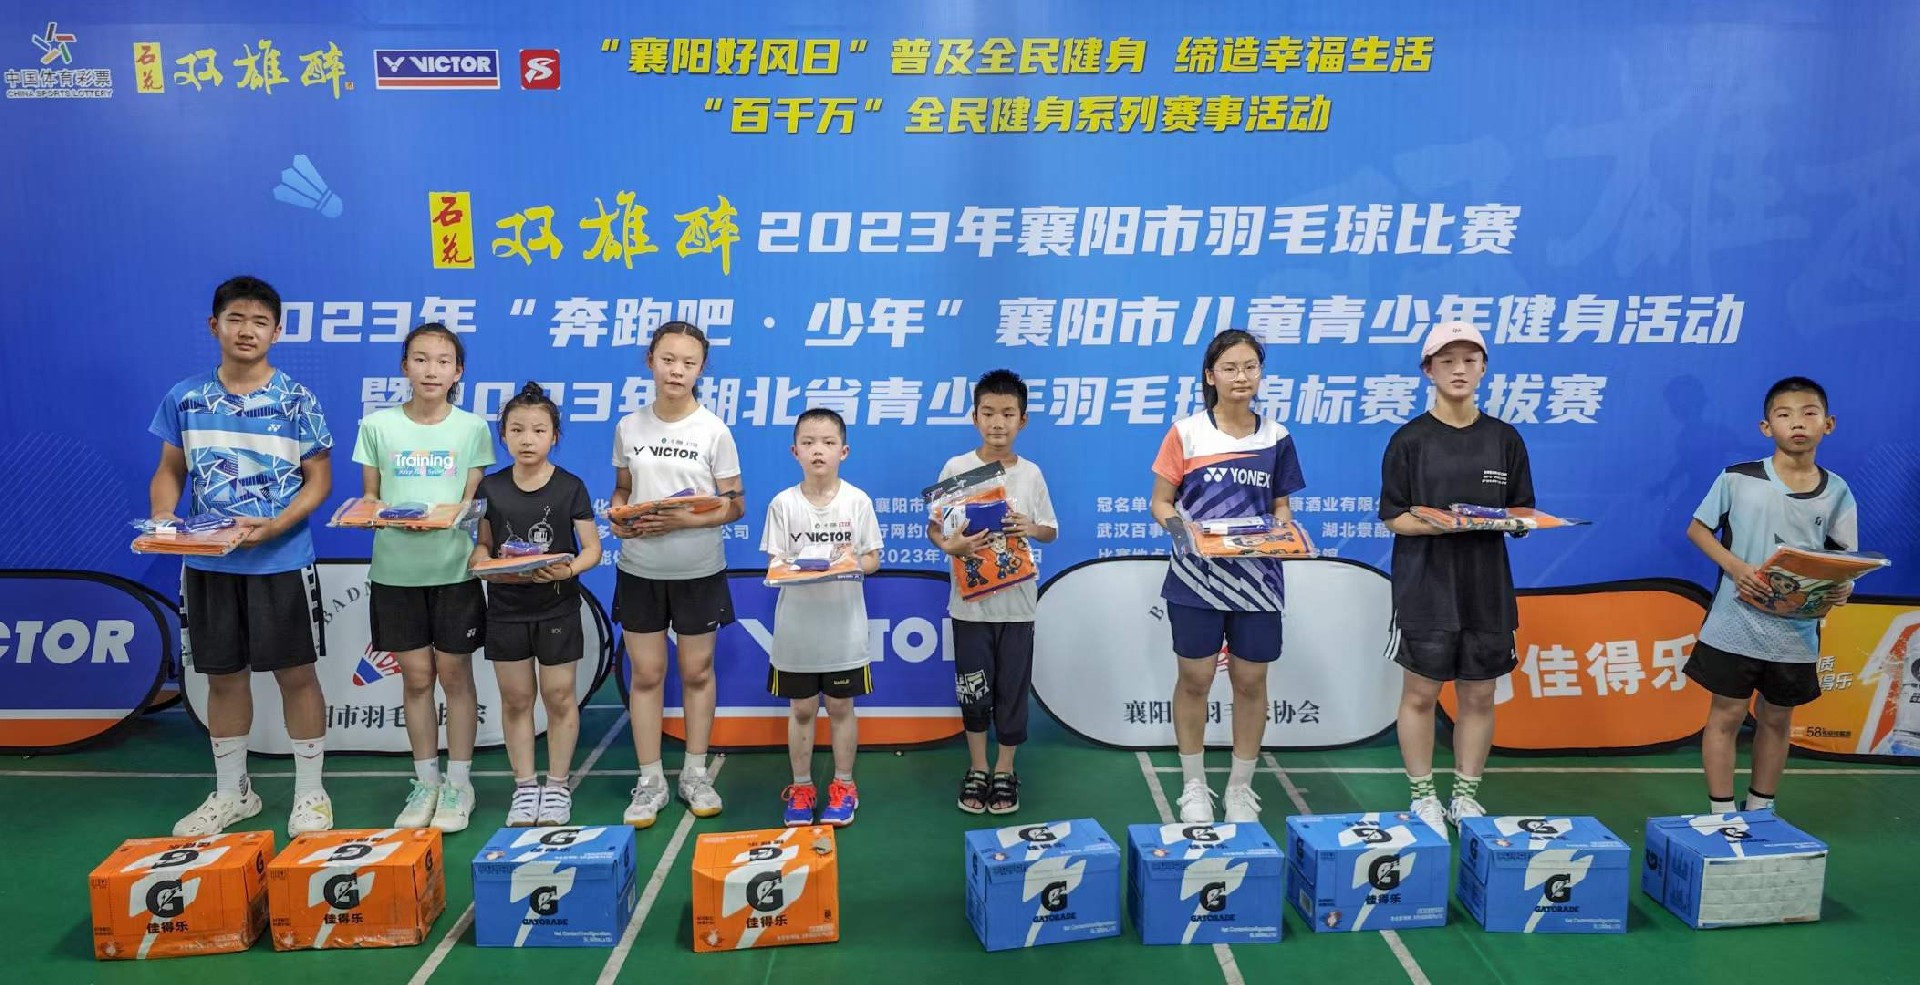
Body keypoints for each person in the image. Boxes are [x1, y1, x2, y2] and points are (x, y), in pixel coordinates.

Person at [151, 275, 335, 837]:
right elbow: (170, 471)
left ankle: (310, 793)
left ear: (277, 332)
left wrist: (274, 526)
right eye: (236, 319)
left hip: (280, 561)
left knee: (296, 675)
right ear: (215, 326)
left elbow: (319, 481)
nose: (247, 330)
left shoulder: (297, 399)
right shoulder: (186, 397)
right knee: (223, 678)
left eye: (260, 322)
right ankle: (233, 792)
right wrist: (164, 520)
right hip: (208, 564)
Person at [1378, 321, 1534, 830]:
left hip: (1486, 589)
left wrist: (1514, 523)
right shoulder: (1409, 440)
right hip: (1425, 586)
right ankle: (1423, 795)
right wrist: (1442, 525)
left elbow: (1522, 511)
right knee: (1421, 695)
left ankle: (1465, 795)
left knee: (1479, 695)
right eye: (1447, 361)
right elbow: (1393, 517)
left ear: (1484, 368)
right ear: (1429, 370)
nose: (1459, 370)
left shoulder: (1505, 439)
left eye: (1469, 360)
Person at [1149, 330, 1306, 824]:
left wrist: (1282, 530)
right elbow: (1161, 503)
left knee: (1251, 681)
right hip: (1196, 579)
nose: (1241, 377)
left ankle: (1240, 788)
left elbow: (1281, 506)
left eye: (1250, 367)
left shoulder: (1276, 437)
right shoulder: (1186, 432)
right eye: (1230, 368)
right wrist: (1186, 533)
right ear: (1210, 375)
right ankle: (1194, 785)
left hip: (1259, 581)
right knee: (1195, 679)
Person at [1684, 376, 1857, 814]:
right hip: (1733, 623)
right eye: (1784, 414)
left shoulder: (1837, 491)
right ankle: (1722, 814)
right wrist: (1736, 567)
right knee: (1726, 714)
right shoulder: (1737, 478)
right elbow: (1698, 530)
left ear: (1828, 424)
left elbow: (1844, 561)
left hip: (1795, 634)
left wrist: (1843, 586)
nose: (1797, 423)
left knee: (1777, 718)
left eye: (1809, 413)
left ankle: (1760, 811)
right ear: (1766, 427)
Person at [354, 322, 495, 832]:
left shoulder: (472, 429)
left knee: (455, 676)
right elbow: (371, 497)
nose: (431, 369)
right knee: (416, 678)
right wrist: (373, 514)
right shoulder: (377, 426)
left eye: (442, 361)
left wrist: (446, 518)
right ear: (404, 366)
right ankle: (425, 782)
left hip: (454, 571)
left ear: (458, 372)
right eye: (420, 359)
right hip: (395, 572)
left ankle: (459, 783)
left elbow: (473, 505)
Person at [610, 322, 745, 827]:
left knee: (697, 672)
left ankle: (694, 773)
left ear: (701, 369)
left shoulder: (714, 431)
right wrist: (617, 515)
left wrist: (685, 519)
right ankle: (650, 780)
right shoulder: (629, 427)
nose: (677, 370)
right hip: (640, 570)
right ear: (651, 361)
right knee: (646, 674)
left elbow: (735, 504)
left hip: (699, 571)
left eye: (689, 363)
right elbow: (622, 489)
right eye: (668, 359)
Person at [471, 383, 602, 827]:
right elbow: (483, 545)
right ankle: (526, 788)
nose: (527, 439)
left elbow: (592, 549)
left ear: (554, 436)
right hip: (505, 609)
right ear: (503, 436)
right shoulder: (490, 487)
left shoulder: (570, 487)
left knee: (560, 697)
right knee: (516, 699)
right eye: (517, 430)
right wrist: (481, 563)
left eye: (538, 430)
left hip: (557, 607)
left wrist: (568, 570)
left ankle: (558, 786)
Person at [927, 370, 1057, 815]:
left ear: (1023, 420)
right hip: (970, 606)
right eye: (988, 413)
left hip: (1018, 606)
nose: (997, 422)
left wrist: (1030, 527)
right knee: (973, 688)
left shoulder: (1031, 473)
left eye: (1007, 413)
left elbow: (1051, 530)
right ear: (974, 417)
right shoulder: (956, 469)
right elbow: (935, 527)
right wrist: (951, 545)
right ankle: (978, 766)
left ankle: (1005, 769)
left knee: (1012, 691)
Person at [763, 409, 883, 827]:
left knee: (840, 706)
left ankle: (844, 785)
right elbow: (775, 564)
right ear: (794, 451)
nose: (818, 451)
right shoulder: (783, 503)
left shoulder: (857, 501)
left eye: (828, 443)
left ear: (843, 451)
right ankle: (801, 787)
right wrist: (798, 568)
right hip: (796, 634)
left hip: (843, 632)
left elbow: (872, 559)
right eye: (809, 443)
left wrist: (849, 564)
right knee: (800, 709)